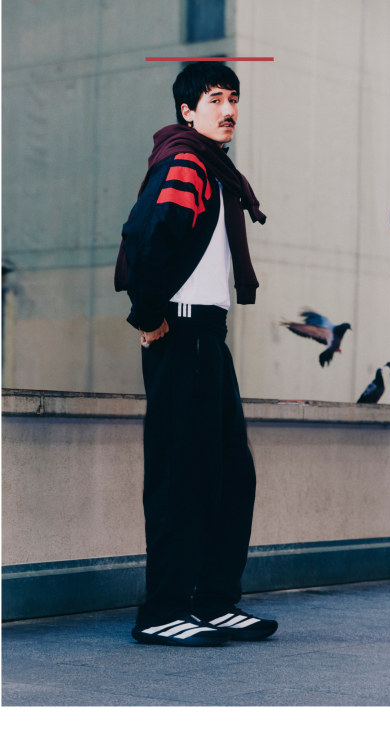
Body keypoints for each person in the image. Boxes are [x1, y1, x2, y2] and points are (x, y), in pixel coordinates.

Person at [118, 60, 278, 646]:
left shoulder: (215, 171)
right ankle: (163, 611)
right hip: (178, 334)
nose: (228, 108)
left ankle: (212, 601)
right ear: (187, 110)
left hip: (208, 337)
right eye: (214, 99)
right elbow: (145, 233)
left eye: (233, 98)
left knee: (230, 475)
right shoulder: (185, 161)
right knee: (179, 477)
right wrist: (149, 315)